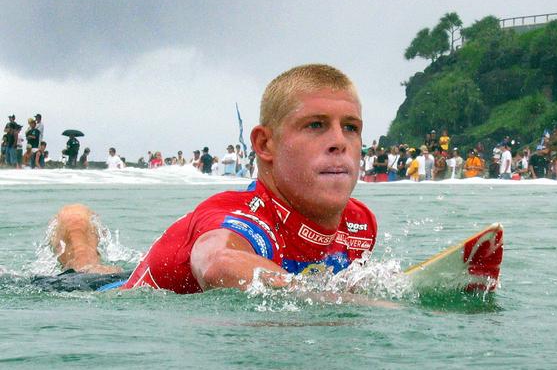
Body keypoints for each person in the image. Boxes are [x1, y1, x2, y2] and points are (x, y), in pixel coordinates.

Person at [47, 64, 385, 302]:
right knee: (87, 266)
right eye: (315, 125)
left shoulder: (360, 224)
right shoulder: (237, 215)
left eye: (351, 127)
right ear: (265, 145)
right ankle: (78, 233)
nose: (340, 142)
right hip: (108, 299)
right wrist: (329, 299)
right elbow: (217, 262)